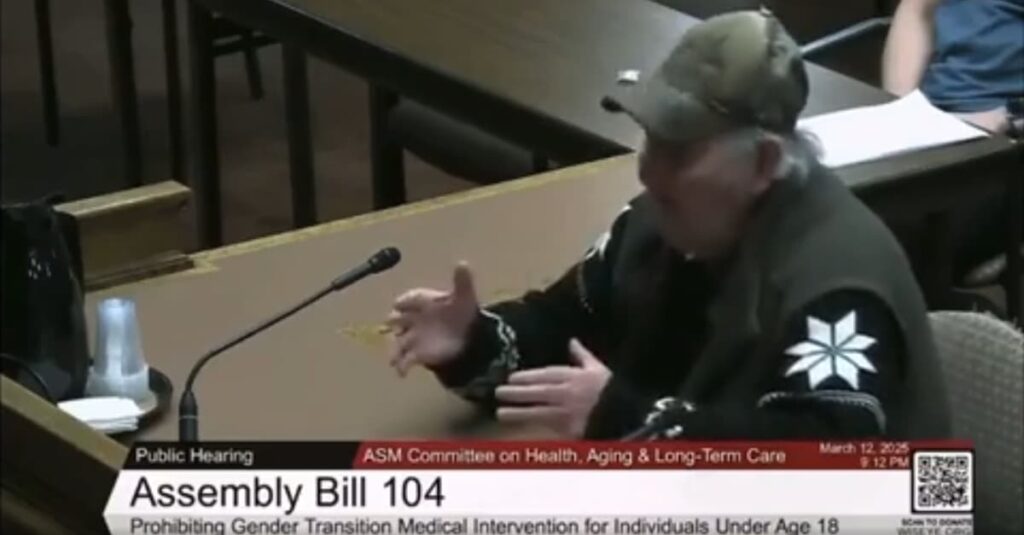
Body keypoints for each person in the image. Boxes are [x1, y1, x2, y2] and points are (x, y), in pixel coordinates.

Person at [385, 10, 952, 440]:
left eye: (679, 151)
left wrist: (626, 420)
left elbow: (821, 469)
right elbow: (564, 328)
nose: (648, 171)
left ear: (764, 163)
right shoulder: (661, 223)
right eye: (651, 139)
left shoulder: (837, 288)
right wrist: (473, 341)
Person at [883, 0, 1023, 285]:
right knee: (816, 203)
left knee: (893, 241)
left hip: (1006, 143)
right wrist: (901, 110)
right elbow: (916, 10)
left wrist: (1008, 121)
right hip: (932, 124)